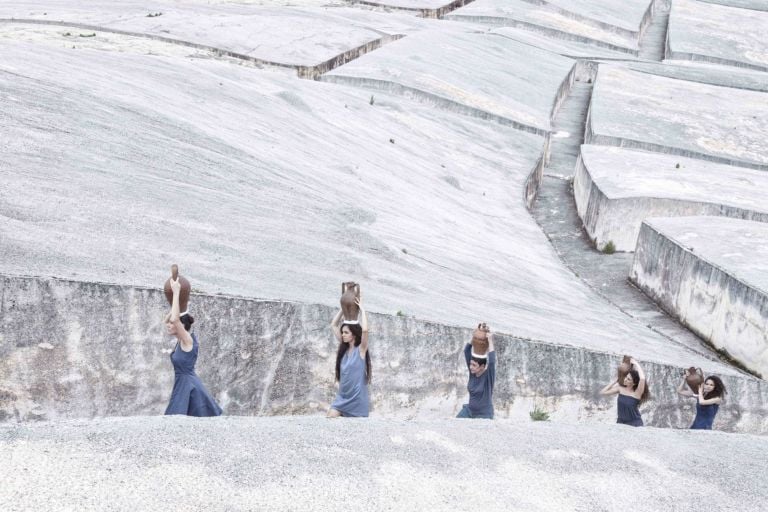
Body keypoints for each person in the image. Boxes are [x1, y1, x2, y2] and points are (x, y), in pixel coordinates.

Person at [164, 277, 222, 417]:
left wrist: (177, 293)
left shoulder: (187, 340)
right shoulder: (180, 341)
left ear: (181, 326)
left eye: (172, 324)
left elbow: (175, 319)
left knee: (182, 417)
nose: (168, 325)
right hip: (182, 383)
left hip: (189, 385)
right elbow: (168, 319)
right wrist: (175, 303)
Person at [328, 297, 371, 417]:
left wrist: (362, 310)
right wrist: (343, 309)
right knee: (330, 418)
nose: (343, 335)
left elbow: (366, 331)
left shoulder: (361, 350)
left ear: (354, 334)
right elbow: (333, 325)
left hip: (357, 400)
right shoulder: (344, 348)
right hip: (342, 398)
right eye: (342, 332)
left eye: (346, 332)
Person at [456, 329, 496, 419]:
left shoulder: (488, 377)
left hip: (484, 414)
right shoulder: (472, 373)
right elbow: (466, 351)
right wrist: (474, 337)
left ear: (482, 366)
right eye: (470, 364)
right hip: (469, 411)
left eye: (474, 365)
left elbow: (492, 361)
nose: (471, 367)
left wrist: (489, 340)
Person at [600, 357, 649, 427]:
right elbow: (602, 392)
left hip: (634, 424)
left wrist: (636, 363)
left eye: (628, 379)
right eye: (626, 377)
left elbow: (642, 378)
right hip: (620, 422)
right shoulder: (620, 389)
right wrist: (614, 382)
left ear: (634, 383)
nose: (625, 379)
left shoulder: (637, 393)